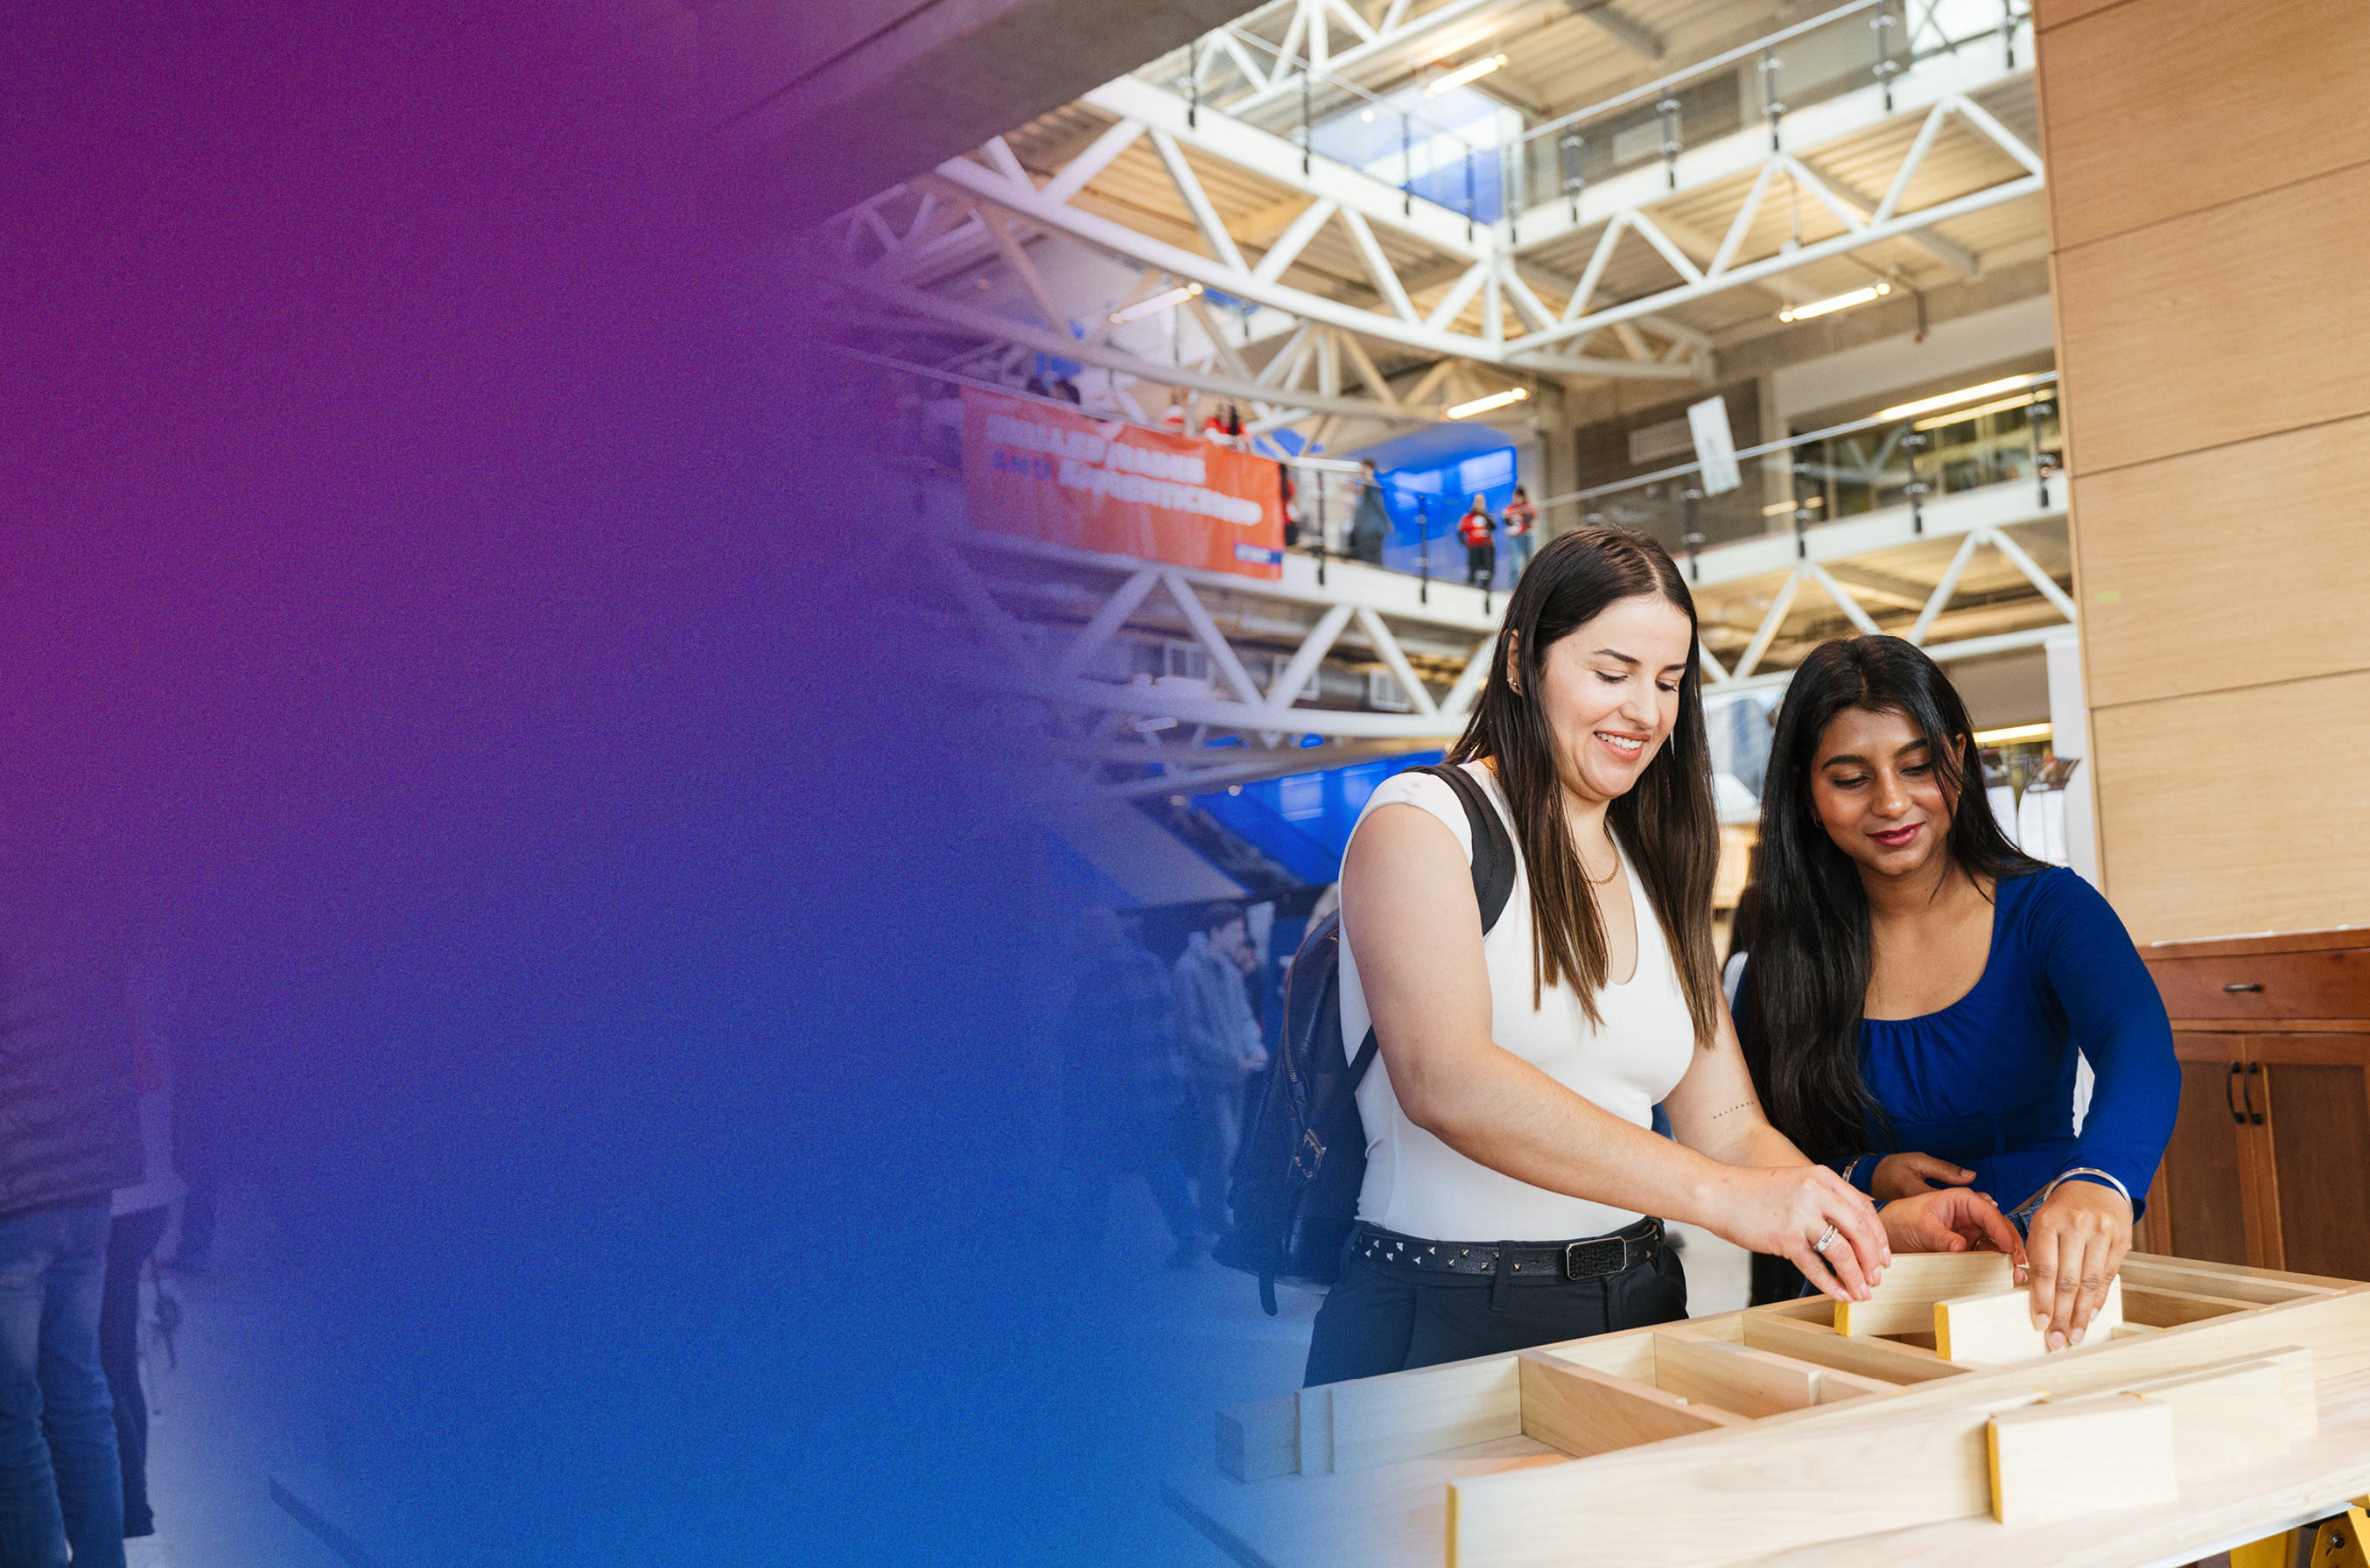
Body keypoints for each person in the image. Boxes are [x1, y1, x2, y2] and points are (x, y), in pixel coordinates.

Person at [1305, 530, 2017, 1386]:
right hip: (1437, 1312)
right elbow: (1444, 1078)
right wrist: (1719, 1197)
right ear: (1519, 662)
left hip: (1635, 1301)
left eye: (1668, 681)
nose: (1643, 710)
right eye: (1610, 673)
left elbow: (1727, 1127)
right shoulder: (1422, 823)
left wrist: (1865, 1220)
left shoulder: (1657, 867)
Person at [1734, 635, 2179, 1350]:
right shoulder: (1784, 958)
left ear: (1959, 759)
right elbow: (1750, 1135)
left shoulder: (2047, 909)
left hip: (2046, 1285)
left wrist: (2102, 1177)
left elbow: (2140, 1046)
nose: (1892, 802)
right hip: (1866, 1295)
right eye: (1850, 779)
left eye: (1917, 767)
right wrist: (1866, 1176)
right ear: (1806, 793)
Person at [0, 858, 144, 1568]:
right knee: (81, 1389)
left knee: (12, 1413)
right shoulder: (77, 885)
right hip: (88, 1185)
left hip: (12, 1194)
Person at [1061, 908, 1200, 1269]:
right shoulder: (1153, 964)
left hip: (1116, 1092)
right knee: (1159, 1161)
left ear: (1093, 936)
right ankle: (1189, 1232)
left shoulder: (1091, 975)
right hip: (1162, 1087)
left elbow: (1079, 1040)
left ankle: (1083, 1253)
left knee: (1094, 1171)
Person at [102, 992, 183, 1563]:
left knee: (96, 1369)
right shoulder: (131, 1013)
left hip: (113, 1208)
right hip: (145, 1205)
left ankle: (132, 1516)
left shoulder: (93, 1024)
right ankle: (133, 1512)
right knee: (115, 1363)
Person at [1172, 903, 1268, 1240]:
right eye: (1235, 931)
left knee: (1228, 1145)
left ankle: (1215, 1215)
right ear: (1216, 932)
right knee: (1222, 1144)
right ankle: (1214, 1218)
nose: (1242, 937)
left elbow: (1244, 1017)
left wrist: (1254, 1047)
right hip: (1209, 1076)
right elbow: (1190, 1029)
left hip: (1236, 1074)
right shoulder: (1187, 969)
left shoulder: (1228, 970)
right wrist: (1231, 1058)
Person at [1349, 459, 1392, 565]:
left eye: (1363, 468)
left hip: (1372, 530)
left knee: (1370, 560)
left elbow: (1380, 505)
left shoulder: (1373, 486)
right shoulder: (1363, 487)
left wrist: (1386, 524)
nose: (1360, 471)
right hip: (1363, 530)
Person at [1458, 494, 1497, 589]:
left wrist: (1485, 515)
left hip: (1486, 546)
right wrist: (1465, 543)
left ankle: (1486, 585)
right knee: (1473, 567)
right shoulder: (1468, 517)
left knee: (1488, 567)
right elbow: (1460, 532)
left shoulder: (1487, 517)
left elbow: (1493, 527)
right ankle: (1472, 583)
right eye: (1478, 502)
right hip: (1474, 546)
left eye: (1481, 502)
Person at [1503, 486, 1538, 579]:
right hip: (1514, 538)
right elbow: (1506, 522)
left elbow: (1532, 517)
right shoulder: (1510, 509)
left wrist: (1524, 510)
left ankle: (1530, 581)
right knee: (1515, 563)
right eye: (1515, 496)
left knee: (1529, 560)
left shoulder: (1528, 506)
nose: (1516, 499)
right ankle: (1515, 585)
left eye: (1518, 496)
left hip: (1526, 536)